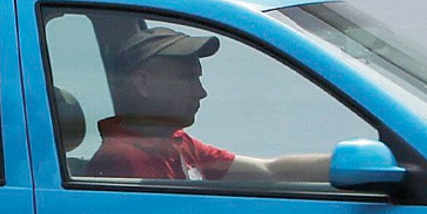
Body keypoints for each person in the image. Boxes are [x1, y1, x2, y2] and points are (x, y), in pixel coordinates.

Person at [86, 27, 332, 182]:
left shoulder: (179, 145)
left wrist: (356, 165)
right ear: (143, 83)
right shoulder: (121, 160)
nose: (201, 92)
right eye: (187, 78)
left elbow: (272, 171)